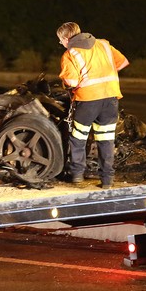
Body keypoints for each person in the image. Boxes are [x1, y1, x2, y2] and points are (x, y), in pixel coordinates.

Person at [57, 22, 129, 189]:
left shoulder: (70, 54)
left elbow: (71, 81)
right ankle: (107, 180)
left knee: (78, 138)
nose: (61, 44)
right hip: (110, 99)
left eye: (60, 41)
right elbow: (122, 62)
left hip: (88, 100)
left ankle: (77, 175)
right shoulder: (103, 44)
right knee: (106, 140)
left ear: (66, 39)